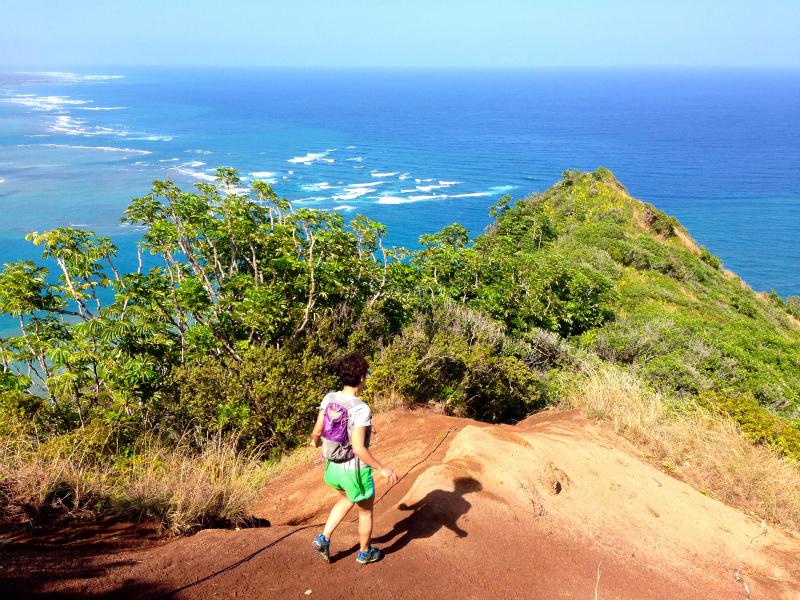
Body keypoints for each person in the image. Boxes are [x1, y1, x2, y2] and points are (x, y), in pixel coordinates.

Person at [310, 353, 398, 565]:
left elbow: (317, 430)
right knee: (365, 512)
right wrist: (381, 468)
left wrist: (314, 442)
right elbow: (358, 448)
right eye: (366, 374)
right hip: (355, 471)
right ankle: (365, 552)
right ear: (361, 378)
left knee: (347, 498)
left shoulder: (329, 398)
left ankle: (324, 538)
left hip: (332, 468)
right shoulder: (361, 408)